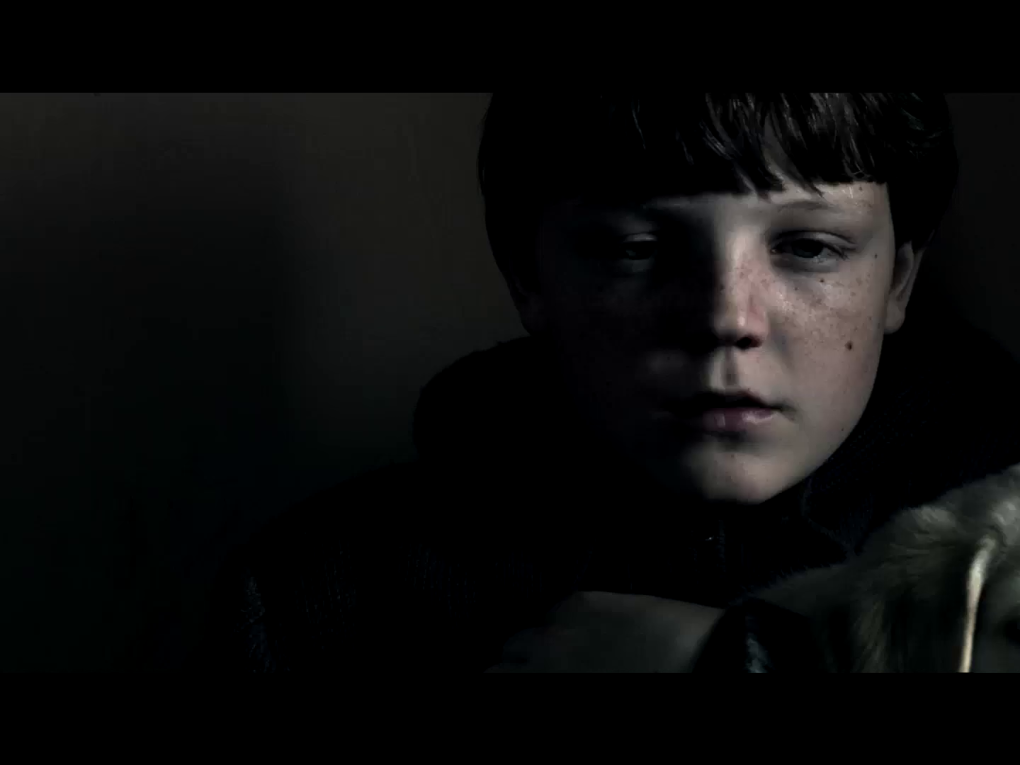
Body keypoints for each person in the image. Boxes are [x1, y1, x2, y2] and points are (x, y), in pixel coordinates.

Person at [185, 93, 1020, 672]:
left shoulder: (1004, 553)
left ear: (899, 276)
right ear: (527, 276)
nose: (727, 318)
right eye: (635, 249)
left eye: (807, 246)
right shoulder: (319, 601)